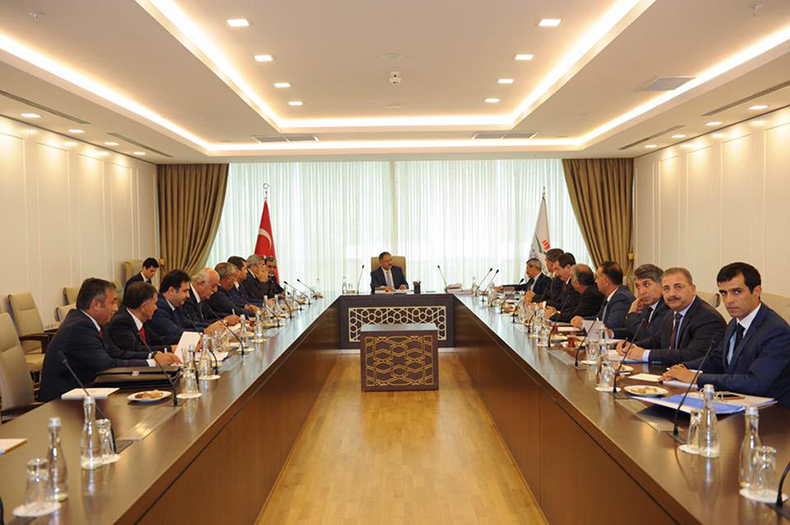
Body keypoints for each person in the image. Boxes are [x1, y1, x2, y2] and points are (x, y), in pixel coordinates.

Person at [663, 263, 790, 405]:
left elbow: (756, 382)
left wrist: (696, 378)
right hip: (737, 400)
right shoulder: (735, 322)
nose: (728, 300)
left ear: (756, 291)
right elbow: (716, 360)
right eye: (724, 293)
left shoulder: (776, 330)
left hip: (771, 411)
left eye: (737, 292)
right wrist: (682, 368)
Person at [39, 278, 177, 402]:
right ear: (96, 304)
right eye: (113, 302)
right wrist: (152, 363)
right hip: (62, 403)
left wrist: (153, 356)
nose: (116, 308)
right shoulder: (79, 327)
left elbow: (116, 353)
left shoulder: (94, 322)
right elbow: (106, 365)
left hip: (87, 392)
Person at [617, 267, 725, 365]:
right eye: (666, 288)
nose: (672, 294)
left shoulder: (708, 318)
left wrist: (645, 354)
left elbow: (693, 355)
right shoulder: (672, 313)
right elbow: (657, 340)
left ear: (692, 289)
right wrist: (633, 346)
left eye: (678, 287)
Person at [105, 282, 181, 360]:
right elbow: (135, 349)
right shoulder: (121, 323)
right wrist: (169, 349)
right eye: (154, 304)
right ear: (144, 307)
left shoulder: (142, 319)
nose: (156, 308)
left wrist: (181, 340)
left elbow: (155, 340)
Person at [571, 261, 634, 332]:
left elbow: (609, 327)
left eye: (597, 277)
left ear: (606, 281)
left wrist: (583, 325)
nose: (595, 281)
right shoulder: (611, 296)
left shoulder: (622, 298)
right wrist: (583, 320)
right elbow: (600, 319)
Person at [615, 263, 669, 340]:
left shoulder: (666, 306)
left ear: (661, 284)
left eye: (646, 285)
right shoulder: (647, 307)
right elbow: (634, 332)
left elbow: (646, 337)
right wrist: (611, 333)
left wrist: (631, 314)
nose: (641, 292)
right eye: (638, 286)